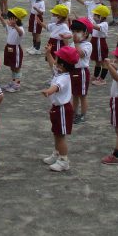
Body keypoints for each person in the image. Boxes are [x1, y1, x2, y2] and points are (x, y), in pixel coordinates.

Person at [41, 45, 78, 173]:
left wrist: (48, 91)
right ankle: (57, 154)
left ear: (62, 65)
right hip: (57, 108)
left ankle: (64, 160)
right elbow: (52, 65)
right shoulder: (60, 72)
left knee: (61, 136)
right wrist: (48, 53)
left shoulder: (64, 78)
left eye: (57, 59)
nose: (55, 61)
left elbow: (56, 87)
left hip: (63, 109)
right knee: (56, 133)